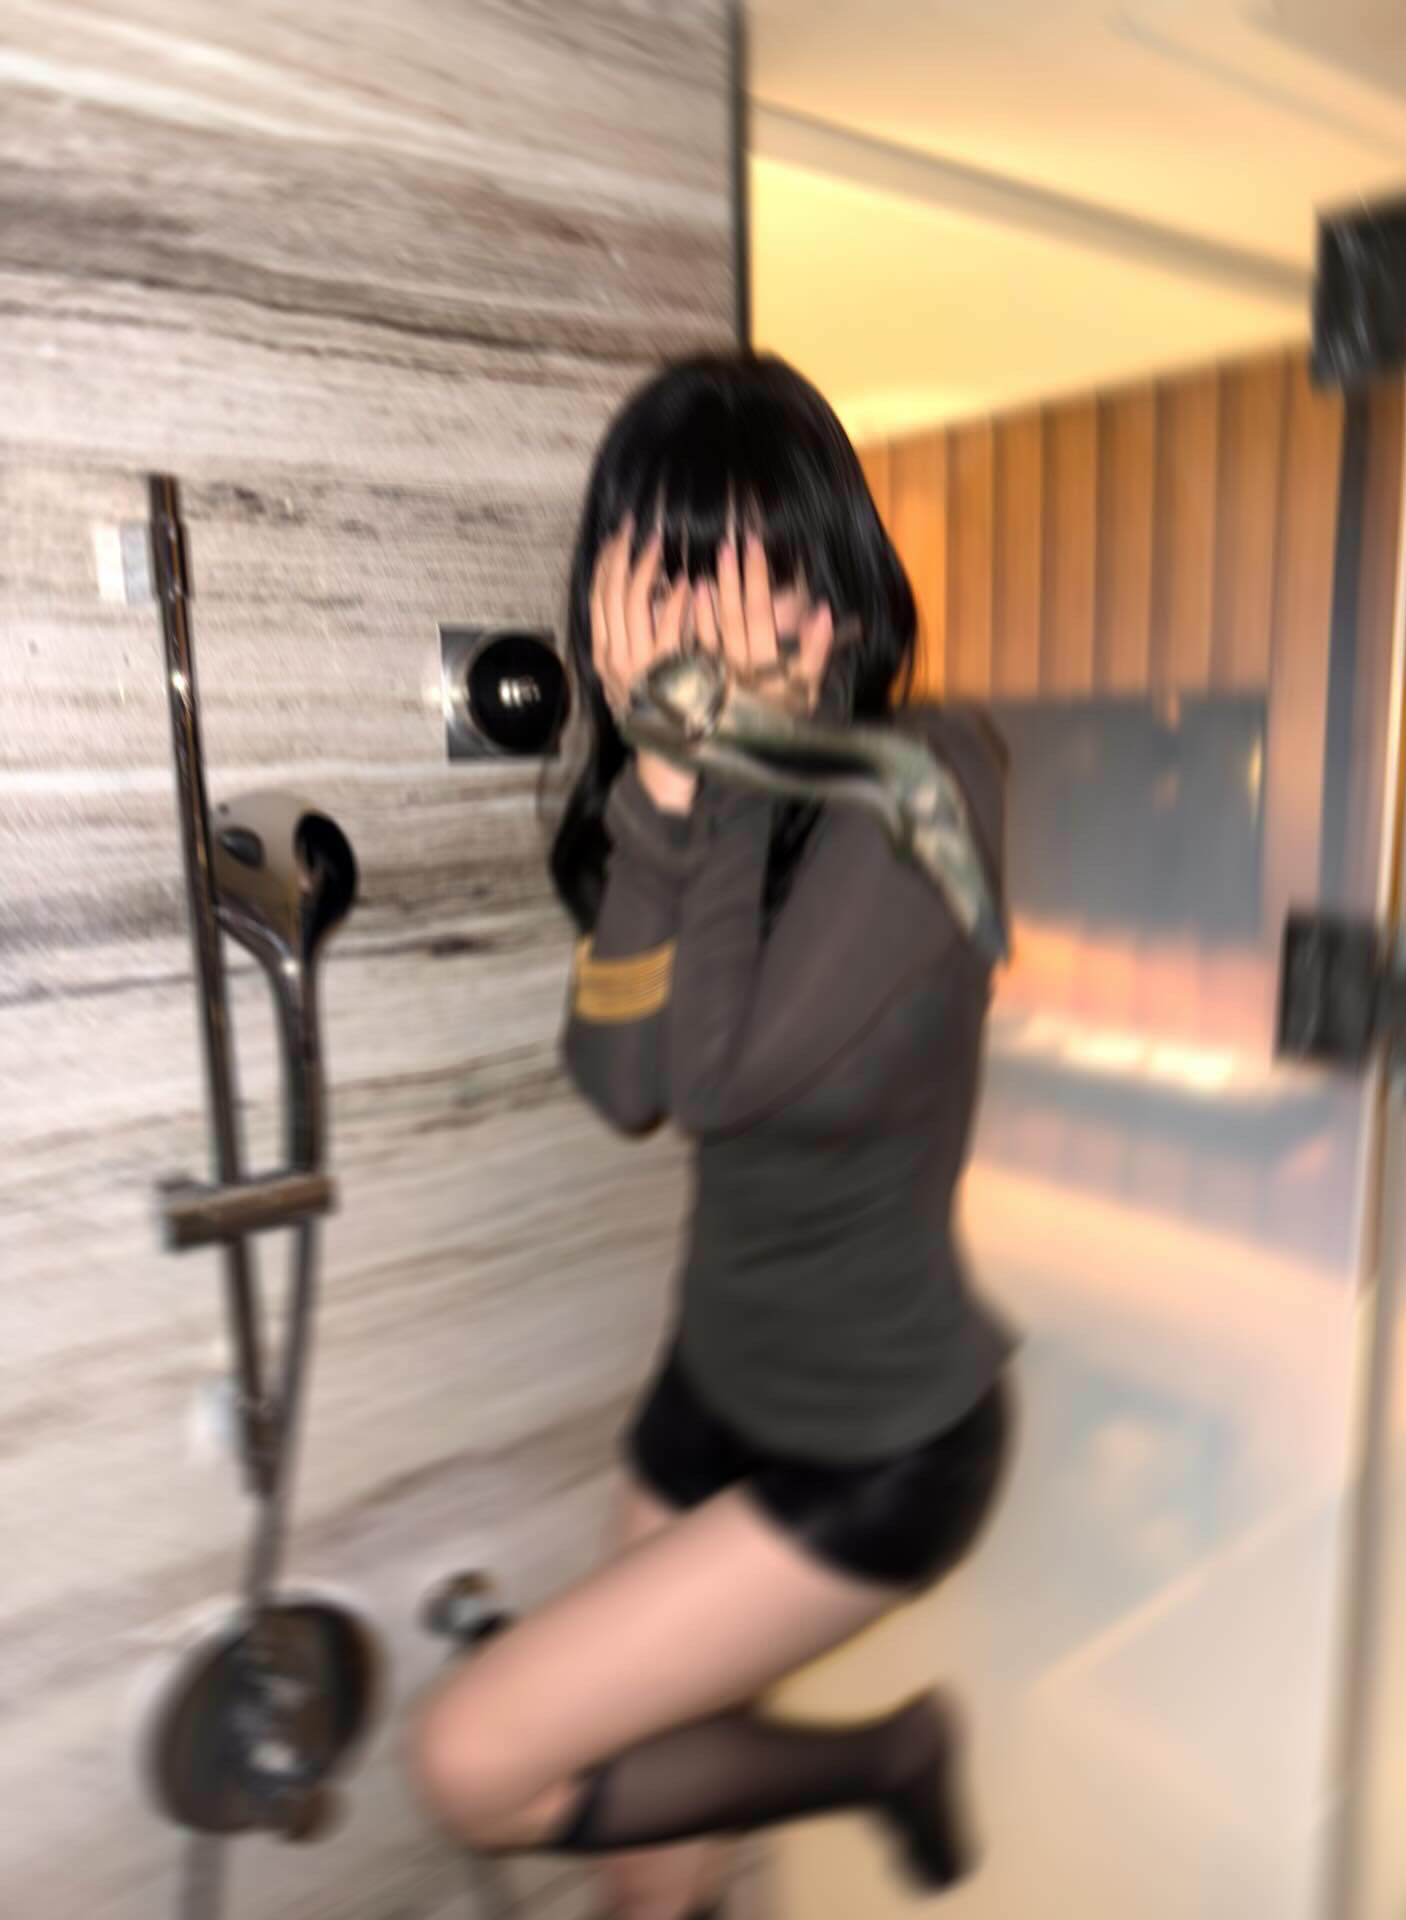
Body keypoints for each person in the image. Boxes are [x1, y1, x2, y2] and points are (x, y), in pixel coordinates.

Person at [411, 353, 1017, 1920]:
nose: (716, 635)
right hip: (712, 1387)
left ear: (839, 586)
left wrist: (717, 768)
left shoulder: (930, 778)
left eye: (761, 583)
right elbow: (625, 1082)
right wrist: (672, 785)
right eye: (676, 586)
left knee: (475, 1764)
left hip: (879, 1445)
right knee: (650, 1885)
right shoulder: (671, 797)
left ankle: (882, 1762)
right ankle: (880, 1764)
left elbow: (721, 1085)